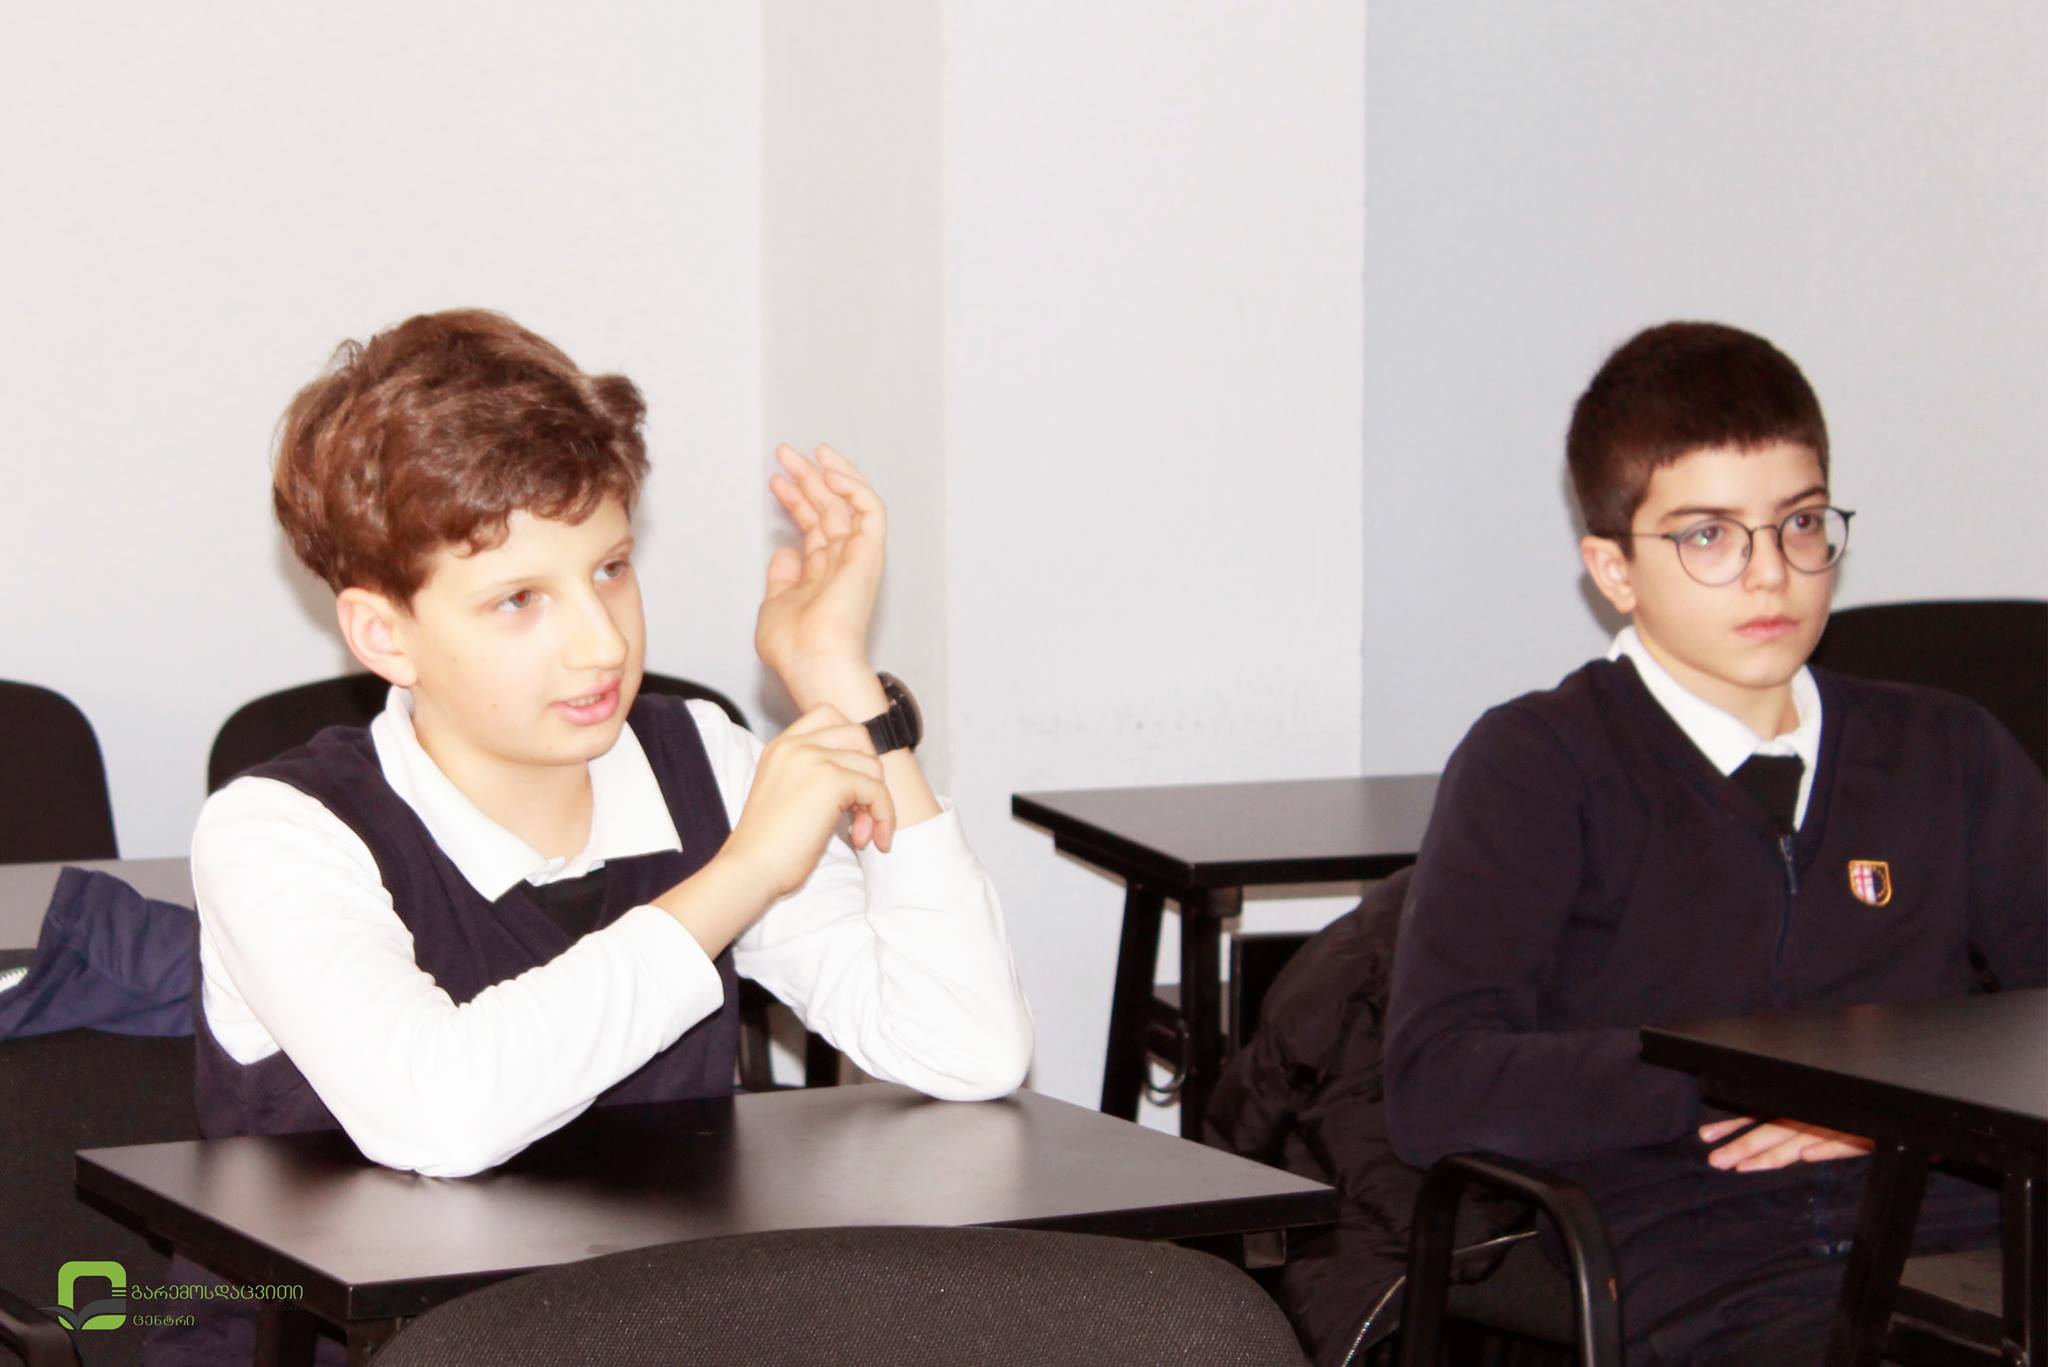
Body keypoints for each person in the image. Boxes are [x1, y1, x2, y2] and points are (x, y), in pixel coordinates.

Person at [156, 309, 1033, 1364]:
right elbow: (440, 1113)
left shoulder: (697, 761)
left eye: (610, 567)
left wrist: (839, 679)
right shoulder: (277, 828)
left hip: (638, 1331)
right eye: (519, 599)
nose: (601, 642)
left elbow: (967, 1046)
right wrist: (743, 872)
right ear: (384, 633)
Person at [1383, 321, 2046, 1366]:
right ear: (1612, 569)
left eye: (1800, 523)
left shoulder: (1945, 748)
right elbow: (1438, 1082)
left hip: (1965, 1231)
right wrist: (1759, 1080)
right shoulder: (1539, 763)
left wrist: (1889, 1108)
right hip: (1706, 1252)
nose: (1768, 574)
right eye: (1706, 535)